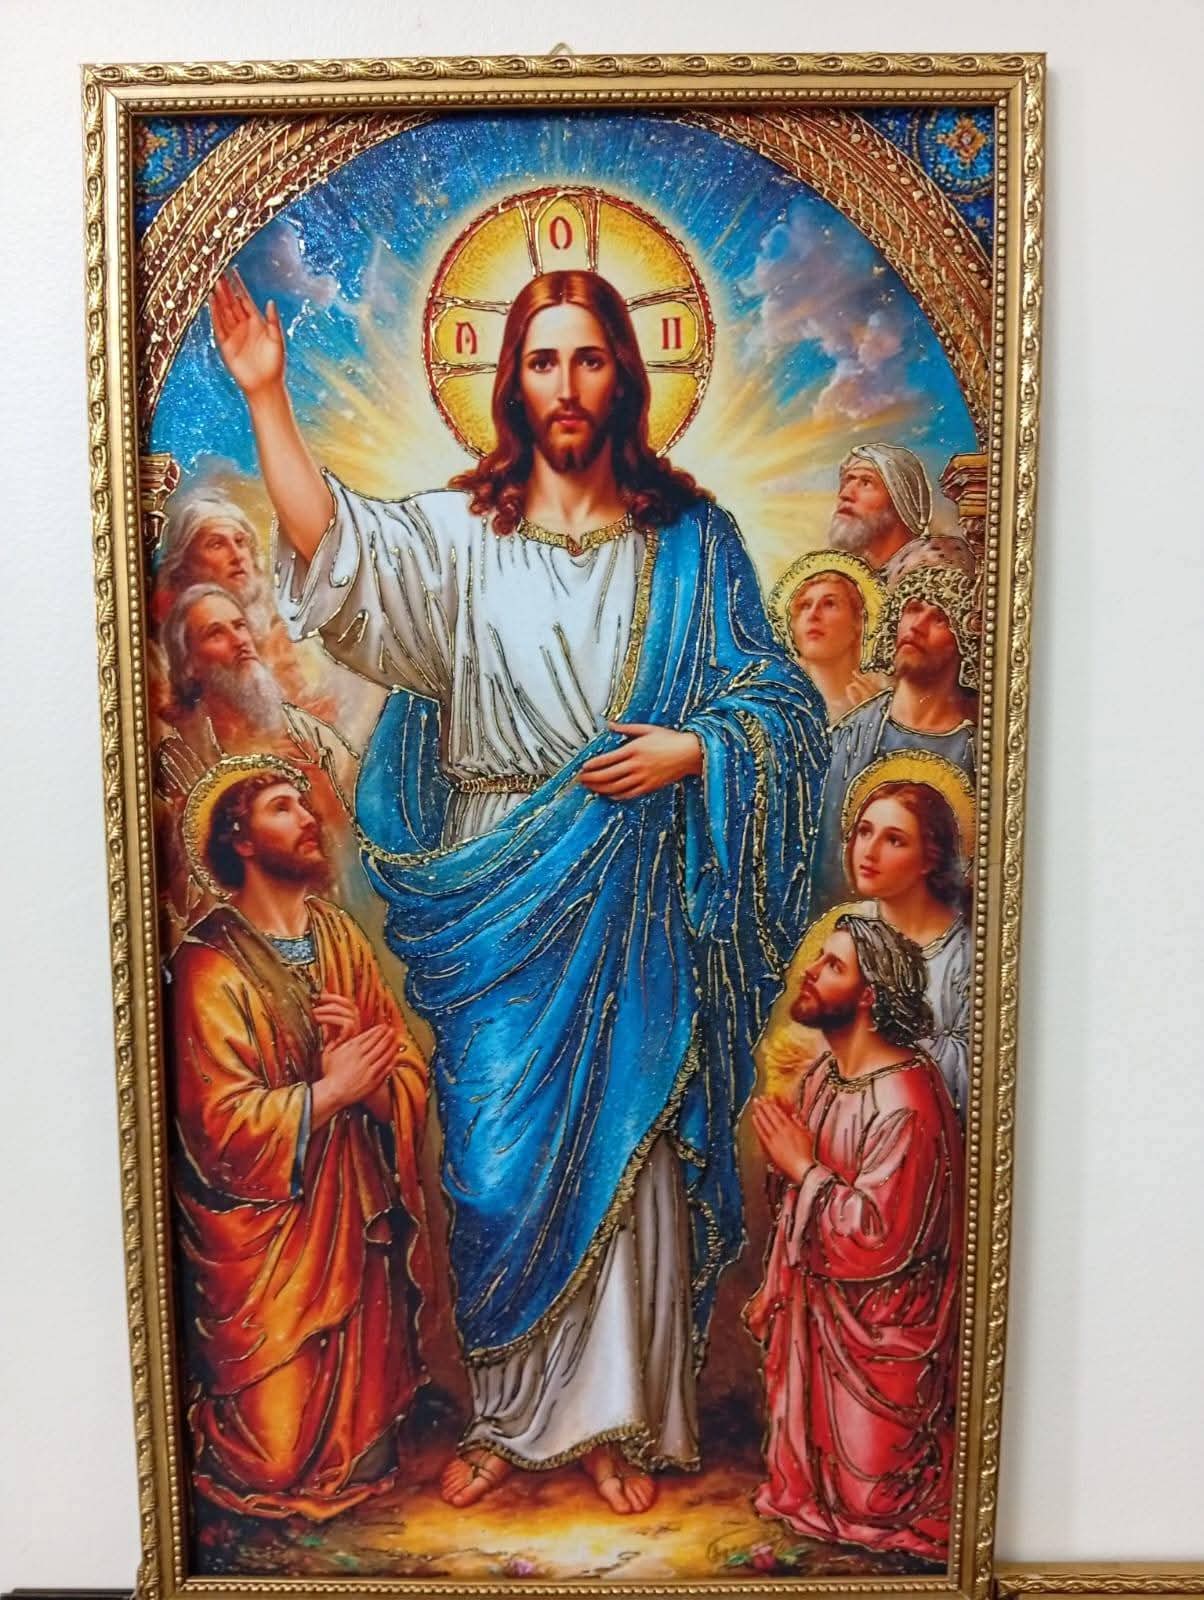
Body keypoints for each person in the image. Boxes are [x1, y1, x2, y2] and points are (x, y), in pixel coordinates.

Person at [208, 265, 829, 1513]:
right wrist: (268, 397)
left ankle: (617, 1424)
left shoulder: (690, 541)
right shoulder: (460, 536)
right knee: (495, 1168)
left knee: (634, 1157)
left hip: (637, 876)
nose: (566, 384)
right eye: (543, 360)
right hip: (502, 877)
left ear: (625, 375)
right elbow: (337, 550)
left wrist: (693, 749)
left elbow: (781, 704)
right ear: (511, 382)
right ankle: (509, 1416)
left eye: (589, 357)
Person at [169, 755, 432, 1520]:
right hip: (269, 1245)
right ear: (240, 839)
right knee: (273, 1460)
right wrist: (329, 1093)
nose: (308, 819)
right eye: (283, 807)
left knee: (367, 1441)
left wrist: (369, 1079)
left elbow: (404, 1077)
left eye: (305, 804)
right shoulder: (207, 967)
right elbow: (217, 1130)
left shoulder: (338, 936)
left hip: (354, 1220)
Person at [746, 913, 963, 1562]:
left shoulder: (906, 1101)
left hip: (883, 1333)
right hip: (819, 1320)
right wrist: (775, 1281)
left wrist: (803, 1168)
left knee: (874, 1502)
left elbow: (879, 1240)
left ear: (869, 996)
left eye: (833, 966)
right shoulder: (824, 1078)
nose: (811, 973)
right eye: (818, 960)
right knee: (810, 1484)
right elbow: (797, 1210)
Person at [811, 564, 979, 912]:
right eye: (913, 609)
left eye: (939, 618)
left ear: (963, 639)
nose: (916, 626)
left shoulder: (976, 753)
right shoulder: (849, 738)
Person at [841, 752, 974, 1123]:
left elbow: (969, 1080)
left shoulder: (964, 954)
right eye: (864, 831)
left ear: (930, 858)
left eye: (894, 840)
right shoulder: (841, 933)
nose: (869, 851)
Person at [770, 550, 888, 724]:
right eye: (805, 605)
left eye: (829, 604)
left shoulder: (881, 705)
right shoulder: (779, 704)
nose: (813, 615)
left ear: (858, 621)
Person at [828, 443, 974, 583]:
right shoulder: (846, 576)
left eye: (866, 482)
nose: (845, 494)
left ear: (900, 500)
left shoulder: (935, 567)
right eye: (846, 482)